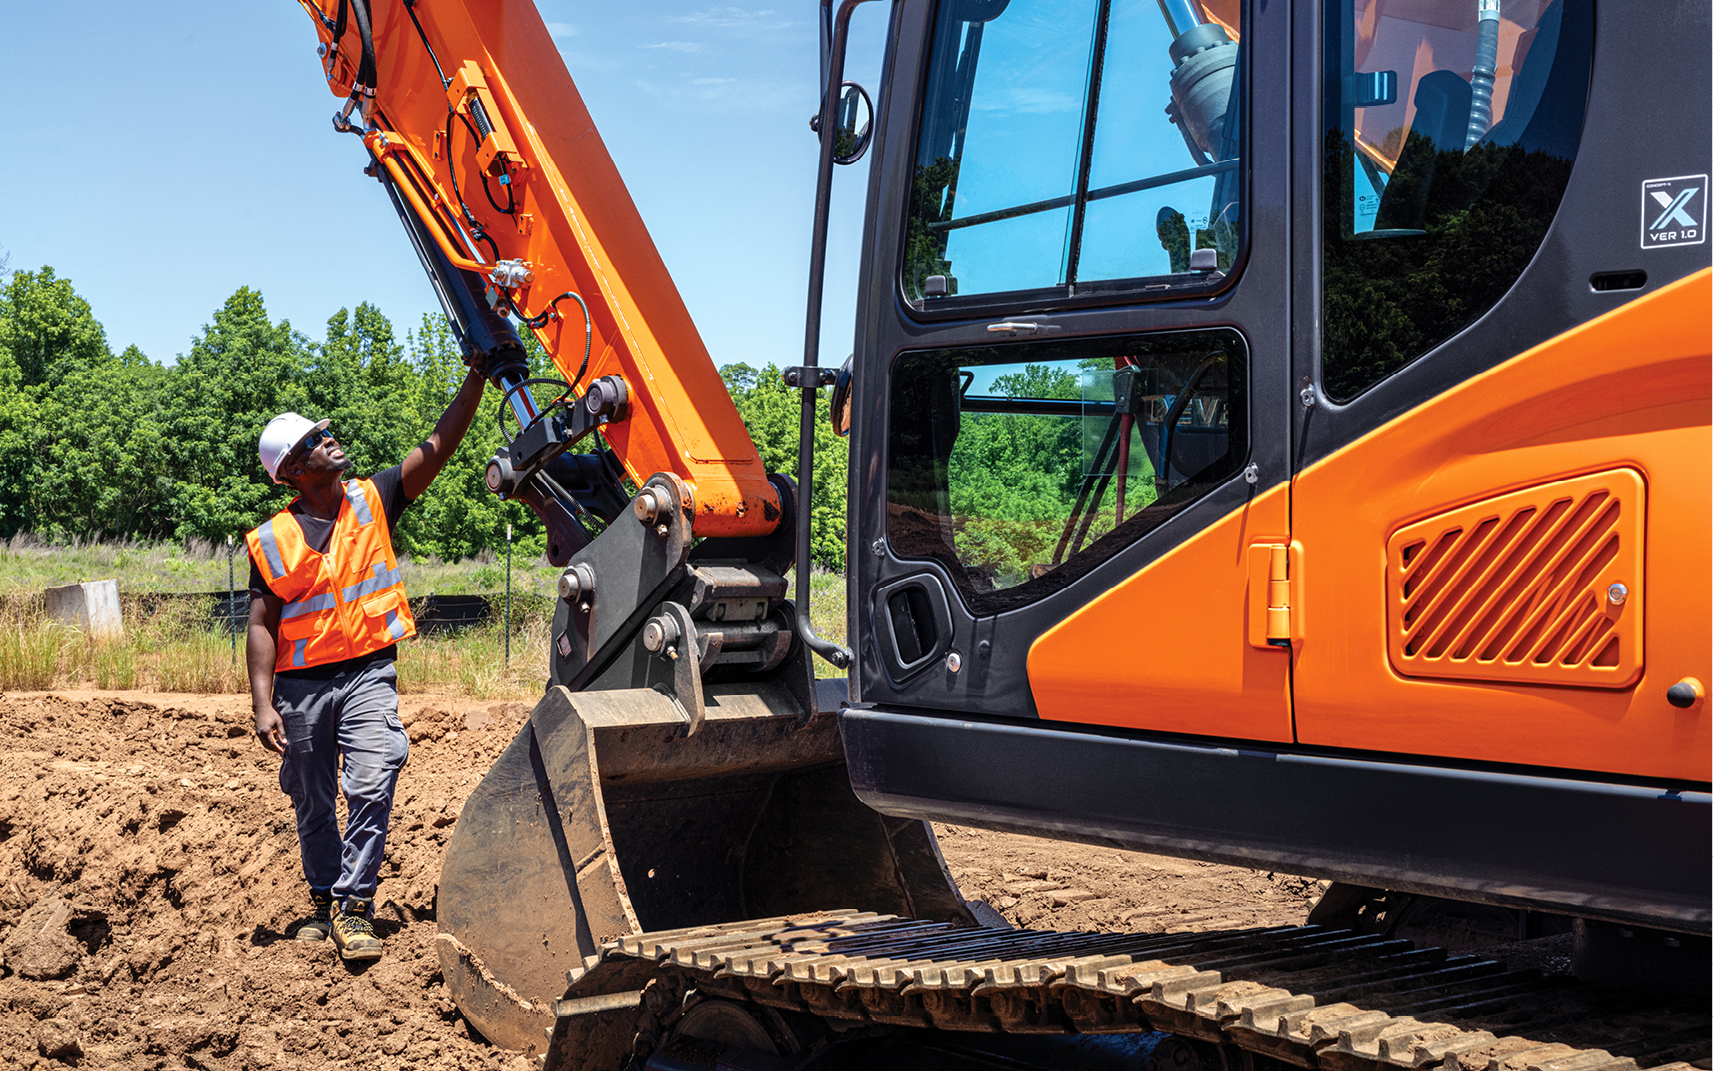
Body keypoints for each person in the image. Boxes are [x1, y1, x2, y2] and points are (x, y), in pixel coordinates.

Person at [245, 367, 486, 961]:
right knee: (313, 794)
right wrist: (261, 700)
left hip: (369, 675)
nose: (330, 440)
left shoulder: (371, 499)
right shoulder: (273, 539)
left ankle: (355, 908)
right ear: (295, 472)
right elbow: (259, 624)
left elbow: (438, 445)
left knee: (374, 775)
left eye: (325, 434)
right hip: (301, 687)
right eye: (314, 442)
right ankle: (324, 897)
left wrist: (476, 377)